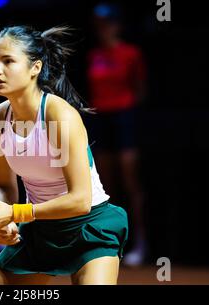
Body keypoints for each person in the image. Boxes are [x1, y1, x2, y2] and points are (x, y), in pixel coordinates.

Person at [0, 25, 128, 285]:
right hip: (39, 232)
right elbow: (3, 183)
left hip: (89, 226)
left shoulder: (59, 115)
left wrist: (16, 213)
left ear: (35, 68)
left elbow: (80, 200)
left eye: (8, 61)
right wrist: (6, 220)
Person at [85, 3, 148, 266]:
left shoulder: (131, 53)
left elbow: (141, 89)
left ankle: (142, 243)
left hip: (124, 119)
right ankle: (109, 245)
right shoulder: (93, 55)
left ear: (117, 25)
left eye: (108, 23)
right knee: (105, 187)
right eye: (99, 24)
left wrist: (129, 114)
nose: (103, 29)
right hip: (102, 120)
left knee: (131, 183)